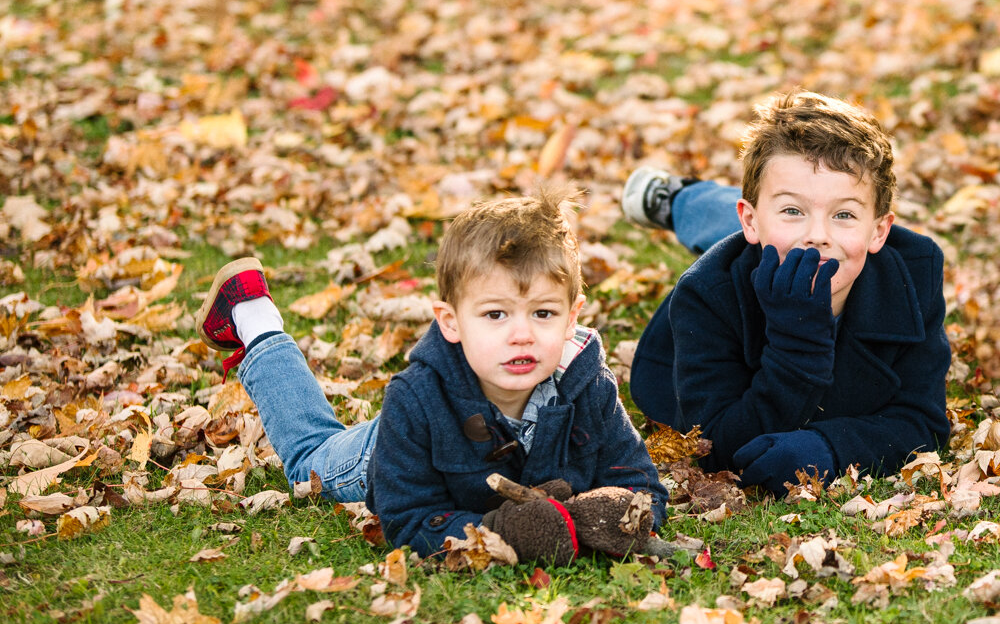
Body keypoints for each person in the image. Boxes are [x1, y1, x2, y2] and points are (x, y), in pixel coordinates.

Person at [195, 189, 669, 564]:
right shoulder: (415, 399)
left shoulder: (586, 383)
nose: (522, 334)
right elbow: (406, 521)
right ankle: (253, 317)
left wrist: (600, 516)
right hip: (385, 454)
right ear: (450, 321)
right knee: (307, 460)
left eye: (543, 313)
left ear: (572, 318)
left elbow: (643, 485)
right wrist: (505, 533)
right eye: (496, 315)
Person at [620, 90, 951, 495]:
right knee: (741, 240)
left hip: (770, 236)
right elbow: (715, 443)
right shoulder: (708, 292)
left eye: (845, 214)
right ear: (751, 220)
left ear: (879, 230)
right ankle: (677, 199)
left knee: (786, 225)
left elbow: (924, 421)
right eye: (794, 211)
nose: (818, 237)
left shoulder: (913, 271)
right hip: (745, 260)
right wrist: (798, 339)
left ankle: (683, 200)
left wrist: (830, 449)